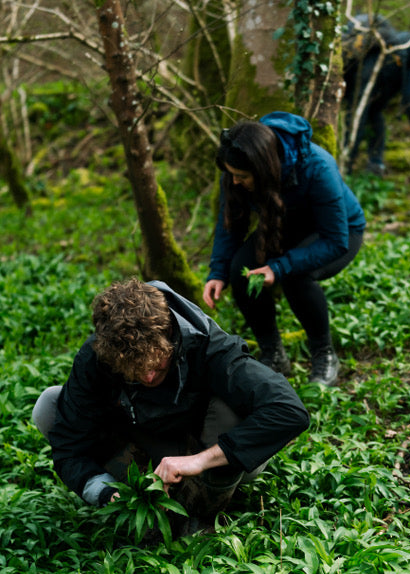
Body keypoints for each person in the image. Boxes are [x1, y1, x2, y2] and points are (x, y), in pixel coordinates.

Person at [32, 278, 309, 536]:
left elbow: (289, 410)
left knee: (233, 408)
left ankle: (209, 508)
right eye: (135, 371)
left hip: (210, 444)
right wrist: (107, 494)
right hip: (143, 441)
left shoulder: (208, 343)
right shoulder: (96, 358)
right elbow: (68, 447)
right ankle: (156, 501)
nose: (149, 377)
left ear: (169, 335)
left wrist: (198, 461)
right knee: (49, 405)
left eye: (157, 365)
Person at [203, 111, 366, 387]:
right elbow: (231, 222)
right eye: (231, 175)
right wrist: (217, 272)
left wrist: (279, 267)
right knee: (240, 271)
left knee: (295, 276)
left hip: (339, 232)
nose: (234, 182)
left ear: (264, 168)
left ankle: (324, 354)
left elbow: (335, 239)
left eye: (241, 176)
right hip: (285, 226)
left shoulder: (317, 167)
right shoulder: (237, 163)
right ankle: (273, 353)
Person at [342, 14, 410, 183]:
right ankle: (375, 164)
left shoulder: (385, 48)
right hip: (389, 72)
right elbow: (356, 115)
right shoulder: (352, 69)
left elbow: (355, 120)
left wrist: (345, 164)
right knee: (372, 111)